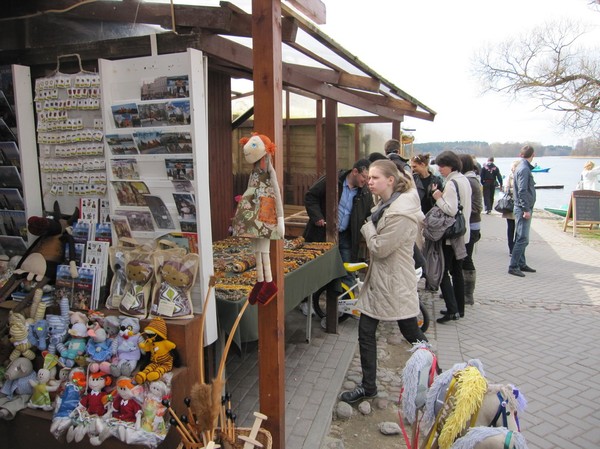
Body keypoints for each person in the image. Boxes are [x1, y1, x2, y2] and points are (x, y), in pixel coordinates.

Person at [339, 159, 427, 403]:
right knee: (366, 331)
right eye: (369, 177)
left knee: (412, 332)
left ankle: (436, 378)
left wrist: (367, 228)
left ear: (391, 180)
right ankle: (368, 387)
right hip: (382, 282)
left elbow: (380, 248)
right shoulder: (385, 204)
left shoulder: (401, 213)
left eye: (375, 178)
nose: (370, 181)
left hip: (395, 283)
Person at [303, 158, 373, 264]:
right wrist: (317, 216)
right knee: (318, 267)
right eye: (364, 177)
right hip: (322, 232)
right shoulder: (332, 179)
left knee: (347, 271)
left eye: (369, 178)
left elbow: (369, 213)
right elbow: (311, 196)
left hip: (346, 237)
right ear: (355, 172)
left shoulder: (366, 193)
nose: (367, 181)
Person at [431, 151, 472, 323]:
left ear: (451, 166)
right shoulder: (464, 180)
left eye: (442, 166)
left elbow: (451, 209)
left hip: (451, 236)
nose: (439, 169)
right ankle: (459, 309)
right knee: (456, 271)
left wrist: (438, 198)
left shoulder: (451, 183)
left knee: (443, 271)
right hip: (464, 233)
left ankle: (452, 309)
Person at [508, 145, 537, 277]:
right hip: (522, 208)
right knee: (522, 238)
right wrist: (526, 209)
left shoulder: (521, 167)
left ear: (521, 155)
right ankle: (513, 266)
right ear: (533, 155)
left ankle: (521, 263)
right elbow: (522, 190)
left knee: (520, 236)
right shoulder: (524, 169)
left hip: (522, 206)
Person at [458, 154, 483, 306]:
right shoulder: (469, 180)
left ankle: (468, 294)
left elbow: (478, 207)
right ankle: (461, 290)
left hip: (471, 225)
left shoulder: (470, 181)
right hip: (471, 224)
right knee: (462, 258)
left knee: (466, 258)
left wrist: (462, 208)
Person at [503, 160, 521, 256]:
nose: (512, 169)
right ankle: (511, 248)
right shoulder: (509, 177)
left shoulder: (522, 176)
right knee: (510, 228)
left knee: (519, 228)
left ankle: (517, 248)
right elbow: (506, 189)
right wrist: (514, 190)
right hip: (510, 205)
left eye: (513, 167)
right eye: (512, 167)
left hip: (519, 205)